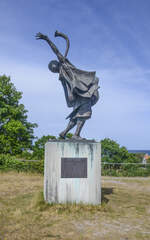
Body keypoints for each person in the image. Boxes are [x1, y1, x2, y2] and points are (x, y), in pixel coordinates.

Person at [36, 31, 100, 140]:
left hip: (80, 91)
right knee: (83, 113)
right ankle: (75, 135)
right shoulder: (61, 73)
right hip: (80, 92)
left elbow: (56, 51)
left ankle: (64, 132)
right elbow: (65, 88)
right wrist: (70, 98)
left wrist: (47, 39)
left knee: (77, 114)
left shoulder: (64, 65)